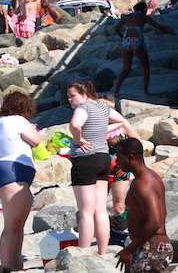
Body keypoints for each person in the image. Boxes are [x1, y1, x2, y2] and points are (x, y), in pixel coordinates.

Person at [67, 80, 128, 256]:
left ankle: (84, 254)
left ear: (84, 94)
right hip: (102, 159)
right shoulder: (102, 107)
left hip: (85, 160)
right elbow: (121, 120)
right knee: (100, 210)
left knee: (86, 213)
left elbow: (74, 125)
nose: (70, 100)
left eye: (72, 96)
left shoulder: (83, 108)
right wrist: (104, 131)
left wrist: (79, 140)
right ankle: (102, 253)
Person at [0, 91, 40, 271]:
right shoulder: (19, 121)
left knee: (17, 224)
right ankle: (6, 267)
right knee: (12, 225)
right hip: (15, 170)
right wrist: (32, 128)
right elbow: (36, 141)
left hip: (3, 169)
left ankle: (17, 263)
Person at [114, 138, 173, 273]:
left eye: (119, 157)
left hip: (153, 247)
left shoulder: (144, 183)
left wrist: (129, 249)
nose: (116, 161)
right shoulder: (147, 177)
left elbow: (154, 222)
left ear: (130, 157)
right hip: (147, 245)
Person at [113, 2, 171, 100]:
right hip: (137, 41)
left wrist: (122, 37)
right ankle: (145, 90)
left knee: (126, 69)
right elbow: (158, 26)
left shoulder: (127, 17)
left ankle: (116, 90)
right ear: (144, 9)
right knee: (145, 65)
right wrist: (167, 32)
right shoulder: (144, 17)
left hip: (126, 42)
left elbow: (116, 28)